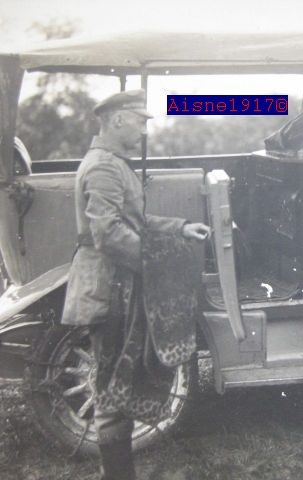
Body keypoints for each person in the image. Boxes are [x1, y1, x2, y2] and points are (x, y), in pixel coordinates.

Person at [60, 89, 210, 480]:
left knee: (118, 389)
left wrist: (178, 227)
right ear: (118, 119)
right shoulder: (104, 167)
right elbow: (108, 234)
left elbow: (133, 222)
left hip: (117, 287)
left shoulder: (114, 164)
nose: (145, 130)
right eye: (141, 121)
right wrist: (156, 262)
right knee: (111, 393)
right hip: (107, 290)